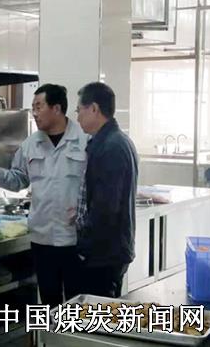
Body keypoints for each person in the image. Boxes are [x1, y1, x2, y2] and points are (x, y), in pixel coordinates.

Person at [0, 84, 87, 307]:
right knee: (49, 304)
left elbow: (97, 187)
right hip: (42, 239)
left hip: (74, 239)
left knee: (77, 305)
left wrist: (85, 212)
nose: (35, 113)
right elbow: (17, 180)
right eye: (33, 108)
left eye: (39, 107)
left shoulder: (84, 141)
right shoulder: (31, 144)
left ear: (57, 108)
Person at [74, 81, 138, 298]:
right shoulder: (115, 140)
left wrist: (84, 244)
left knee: (97, 312)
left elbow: (106, 208)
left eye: (79, 110)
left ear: (94, 108)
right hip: (111, 249)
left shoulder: (111, 147)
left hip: (104, 253)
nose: (77, 117)